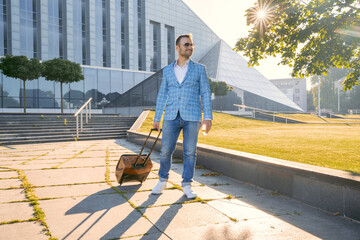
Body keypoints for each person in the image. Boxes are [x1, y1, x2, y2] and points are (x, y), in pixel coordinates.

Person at [152, 34, 213, 198]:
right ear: (177, 48)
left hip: (192, 117)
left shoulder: (199, 69)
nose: (190, 47)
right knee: (165, 151)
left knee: (190, 152)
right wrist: (157, 118)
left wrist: (208, 117)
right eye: (186, 44)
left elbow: (206, 93)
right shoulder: (167, 70)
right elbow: (162, 94)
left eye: (192, 45)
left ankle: (187, 184)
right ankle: (162, 180)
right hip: (171, 116)